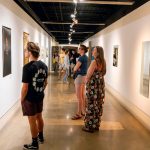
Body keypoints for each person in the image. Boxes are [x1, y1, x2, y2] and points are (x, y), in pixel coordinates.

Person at [21, 42, 48, 149]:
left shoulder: (27, 67)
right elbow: (45, 83)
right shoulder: (44, 65)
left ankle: (34, 143)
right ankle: (41, 137)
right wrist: (40, 91)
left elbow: (25, 87)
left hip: (30, 98)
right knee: (39, 117)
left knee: (32, 120)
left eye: (25, 50)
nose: (24, 52)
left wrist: (22, 99)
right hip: (39, 96)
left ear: (30, 52)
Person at [82, 46, 106, 133]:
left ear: (98, 53)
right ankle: (96, 125)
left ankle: (89, 126)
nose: (92, 51)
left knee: (91, 104)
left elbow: (88, 75)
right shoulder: (103, 62)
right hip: (99, 86)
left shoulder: (94, 62)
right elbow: (103, 73)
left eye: (94, 50)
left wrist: (85, 83)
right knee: (97, 105)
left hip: (93, 86)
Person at [71, 45, 88, 120]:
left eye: (80, 49)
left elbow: (75, 68)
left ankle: (78, 113)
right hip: (84, 77)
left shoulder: (81, 58)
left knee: (79, 96)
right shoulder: (86, 57)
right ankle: (83, 111)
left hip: (79, 77)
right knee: (82, 95)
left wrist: (75, 68)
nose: (78, 49)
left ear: (83, 50)